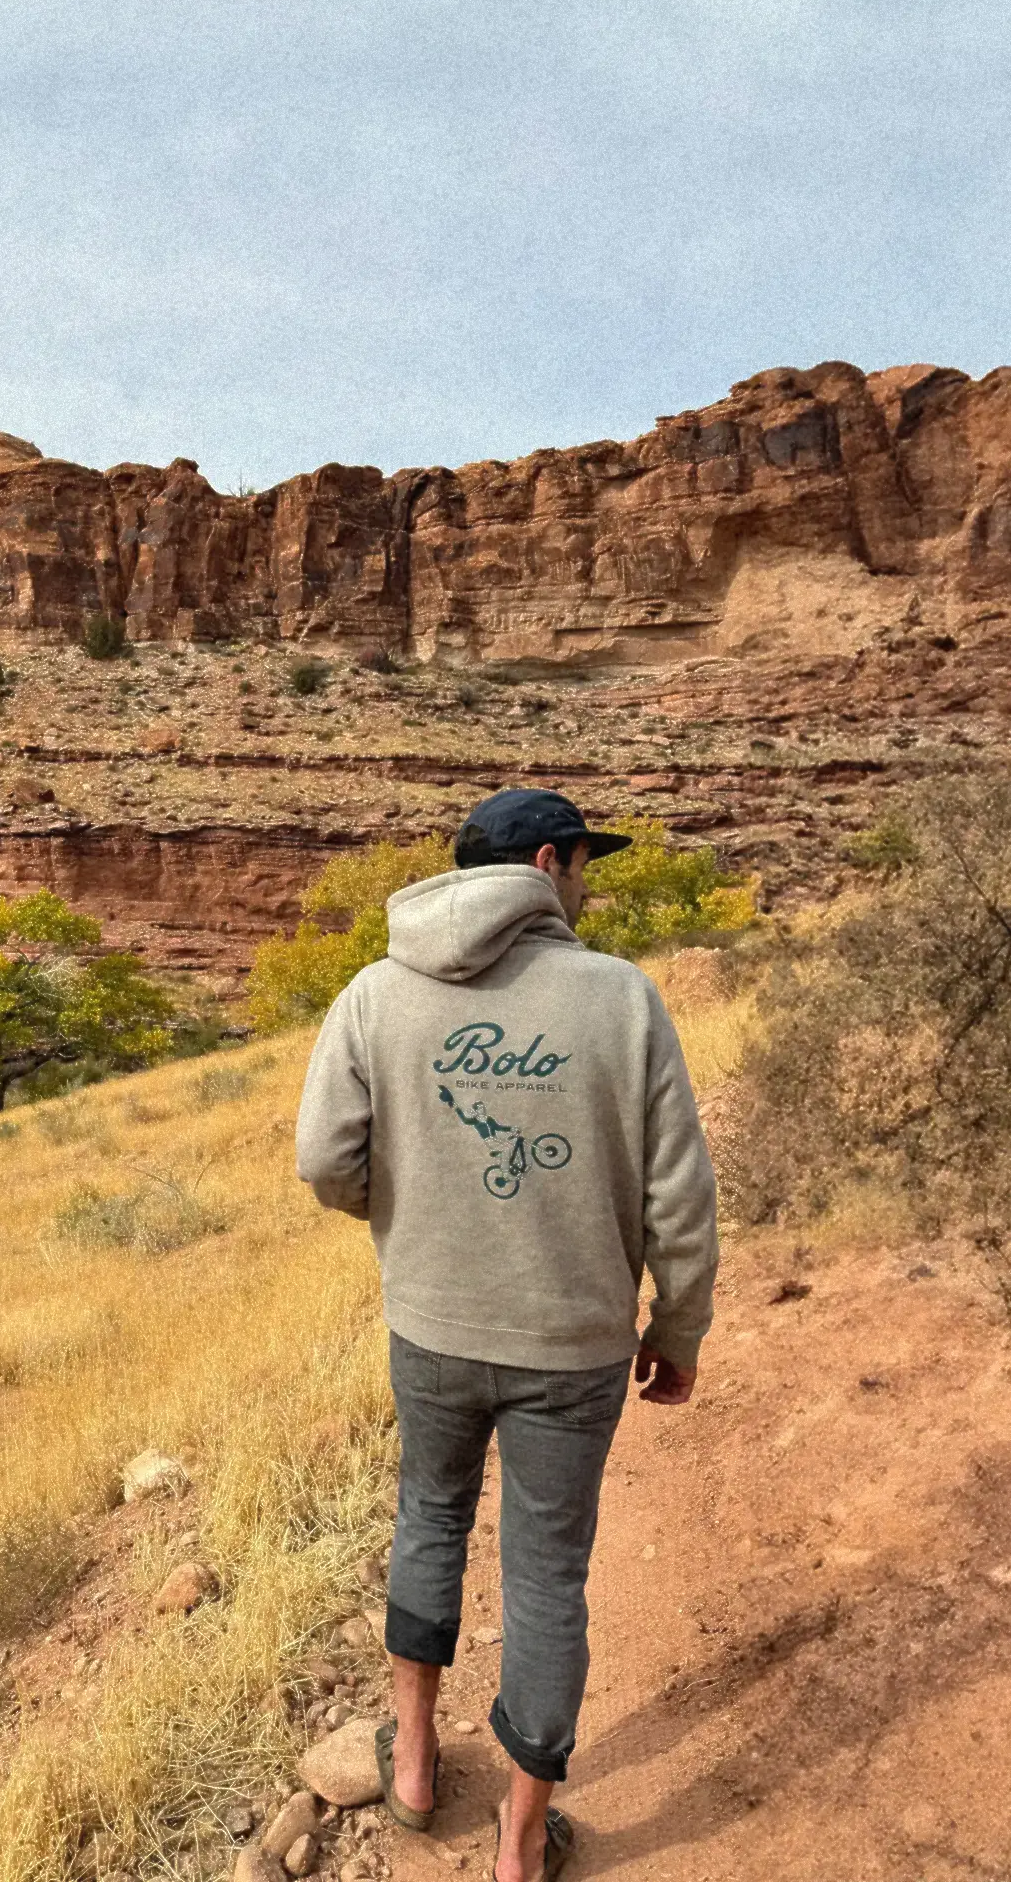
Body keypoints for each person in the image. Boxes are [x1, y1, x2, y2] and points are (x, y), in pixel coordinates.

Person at [294, 788, 718, 1882]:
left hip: (429, 1324)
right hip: (572, 1345)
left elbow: (322, 1160)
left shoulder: (374, 992)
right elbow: (678, 1195)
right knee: (543, 1574)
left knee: (427, 1513)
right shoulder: (619, 999)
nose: (588, 884)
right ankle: (522, 1842)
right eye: (581, 863)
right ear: (542, 861)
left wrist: (408, 1219)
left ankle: (417, 1765)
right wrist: (675, 1324)